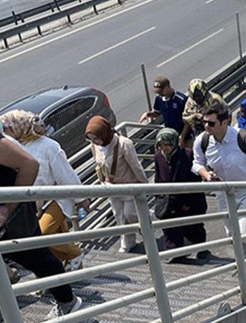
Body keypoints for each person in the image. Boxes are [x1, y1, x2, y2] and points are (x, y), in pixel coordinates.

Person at [0, 129, 84, 318]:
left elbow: (29, 164)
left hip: (15, 216)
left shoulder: (47, 146)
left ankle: (67, 301)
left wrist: (8, 207)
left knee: (37, 257)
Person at [0, 111, 87, 271]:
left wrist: (81, 199)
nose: (5, 132)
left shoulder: (48, 146)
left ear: (21, 127)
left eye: (8, 128)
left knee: (44, 234)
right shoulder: (14, 146)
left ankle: (75, 254)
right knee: (52, 236)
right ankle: (65, 267)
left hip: (55, 198)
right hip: (35, 202)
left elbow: (65, 174)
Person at [193, 102, 246, 273]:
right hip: (224, 193)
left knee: (244, 232)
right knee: (233, 235)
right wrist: (207, 175)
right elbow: (197, 163)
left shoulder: (245, 139)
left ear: (225, 122)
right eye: (205, 123)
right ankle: (245, 267)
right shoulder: (203, 140)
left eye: (211, 123)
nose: (206, 126)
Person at [87, 116, 149, 253]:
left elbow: (136, 166)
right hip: (111, 188)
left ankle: (148, 227)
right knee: (119, 216)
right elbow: (99, 164)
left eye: (96, 138)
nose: (94, 142)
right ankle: (127, 242)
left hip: (128, 186)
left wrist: (145, 185)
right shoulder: (95, 146)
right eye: (91, 139)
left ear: (104, 133)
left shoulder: (124, 144)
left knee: (130, 214)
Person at [153, 128, 208, 260]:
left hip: (190, 198)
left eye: (166, 144)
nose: (164, 148)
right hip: (169, 199)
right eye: (160, 145)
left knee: (193, 226)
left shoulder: (188, 155)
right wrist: (158, 196)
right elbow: (158, 177)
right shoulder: (158, 156)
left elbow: (195, 179)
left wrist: (188, 203)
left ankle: (201, 248)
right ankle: (175, 253)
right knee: (170, 226)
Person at [181, 79, 226, 146]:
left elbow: (226, 116)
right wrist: (194, 116)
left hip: (217, 133)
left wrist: (205, 117)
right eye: (194, 96)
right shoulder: (190, 102)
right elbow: (185, 118)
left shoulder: (215, 99)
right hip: (199, 134)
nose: (196, 98)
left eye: (199, 95)